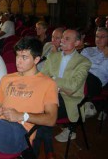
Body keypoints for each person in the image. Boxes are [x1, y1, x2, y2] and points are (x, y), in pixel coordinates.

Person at [34, 29, 91, 159]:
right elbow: (42, 77)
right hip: (51, 96)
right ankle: (48, 151)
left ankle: (34, 152)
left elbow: (73, 88)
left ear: (77, 43)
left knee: (42, 113)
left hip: (69, 101)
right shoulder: (53, 56)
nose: (62, 41)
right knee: (41, 110)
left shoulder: (84, 62)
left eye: (67, 39)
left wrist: (53, 80)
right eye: (62, 38)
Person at [81, 27, 108, 98]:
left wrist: (106, 58)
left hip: (95, 82)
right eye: (97, 36)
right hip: (81, 75)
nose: (99, 39)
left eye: (102, 37)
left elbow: (103, 71)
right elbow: (79, 64)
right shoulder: (87, 50)